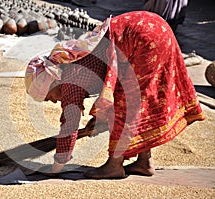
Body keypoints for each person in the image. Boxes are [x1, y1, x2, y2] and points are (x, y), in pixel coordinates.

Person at [25, 11, 204, 179]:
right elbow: (106, 91)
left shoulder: (70, 80)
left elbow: (69, 124)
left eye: (49, 97)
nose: (55, 101)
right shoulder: (70, 60)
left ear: (53, 82)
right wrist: (99, 120)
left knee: (126, 102)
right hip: (155, 28)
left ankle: (114, 165)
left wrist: (56, 167)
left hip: (142, 38)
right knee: (141, 101)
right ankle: (144, 161)